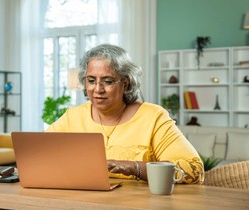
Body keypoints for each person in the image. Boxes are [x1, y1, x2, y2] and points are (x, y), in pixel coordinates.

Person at [47, 44, 204, 184]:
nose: (97, 89)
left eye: (108, 81)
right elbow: (37, 154)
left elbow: (194, 170)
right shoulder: (73, 116)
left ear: (126, 83)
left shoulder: (153, 116)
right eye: (91, 80)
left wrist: (134, 168)